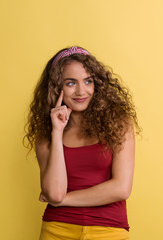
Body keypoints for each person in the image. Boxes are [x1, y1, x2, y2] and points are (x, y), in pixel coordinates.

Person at [23, 46, 140, 240]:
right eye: (70, 83)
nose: (81, 91)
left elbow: (121, 188)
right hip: (57, 229)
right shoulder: (47, 134)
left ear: (97, 85)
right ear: (56, 87)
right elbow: (53, 191)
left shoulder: (119, 123)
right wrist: (57, 132)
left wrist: (62, 200)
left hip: (108, 230)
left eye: (88, 81)